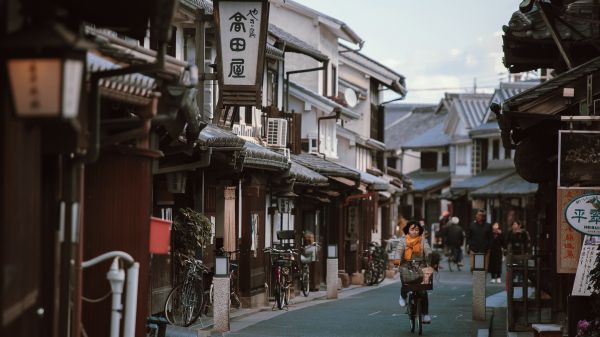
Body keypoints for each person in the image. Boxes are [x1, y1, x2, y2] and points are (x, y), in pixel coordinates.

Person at [397, 220, 432, 323]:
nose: (414, 231)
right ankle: (403, 296)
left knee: (423, 290)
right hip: (406, 266)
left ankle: (425, 314)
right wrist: (396, 262)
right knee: (406, 282)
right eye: (412, 229)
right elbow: (399, 251)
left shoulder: (422, 240)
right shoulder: (403, 240)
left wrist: (430, 257)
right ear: (408, 230)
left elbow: (427, 249)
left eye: (417, 229)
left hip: (420, 266)